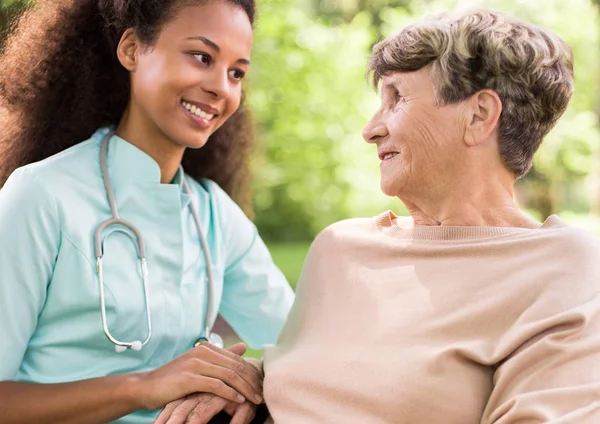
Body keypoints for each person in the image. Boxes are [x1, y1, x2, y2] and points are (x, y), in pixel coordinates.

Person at [158, 7, 600, 424]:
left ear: (479, 116)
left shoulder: (563, 269)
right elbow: (310, 384)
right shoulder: (341, 248)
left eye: (397, 99)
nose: (371, 129)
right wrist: (247, 384)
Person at [0, 0, 295, 423]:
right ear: (132, 49)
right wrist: (145, 387)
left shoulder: (213, 214)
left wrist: (250, 376)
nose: (221, 88)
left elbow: (301, 346)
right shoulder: (41, 196)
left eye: (237, 72)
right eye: (202, 57)